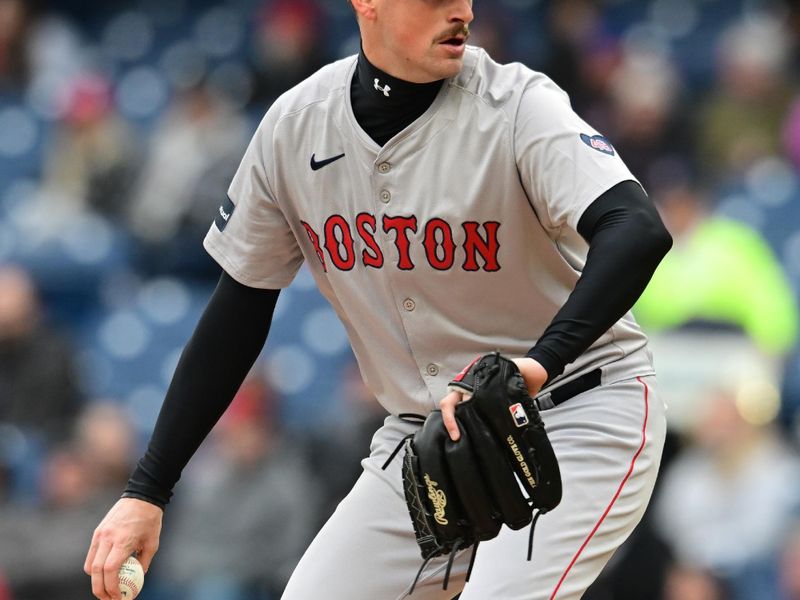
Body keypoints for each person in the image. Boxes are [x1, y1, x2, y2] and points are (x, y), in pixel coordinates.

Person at [84, 1, 673, 599]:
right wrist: (147, 490)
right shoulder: (296, 127)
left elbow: (636, 226)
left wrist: (541, 360)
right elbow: (238, 311)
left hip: (576, 410)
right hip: (428, 436)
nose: (461, 11)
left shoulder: (518, 104)